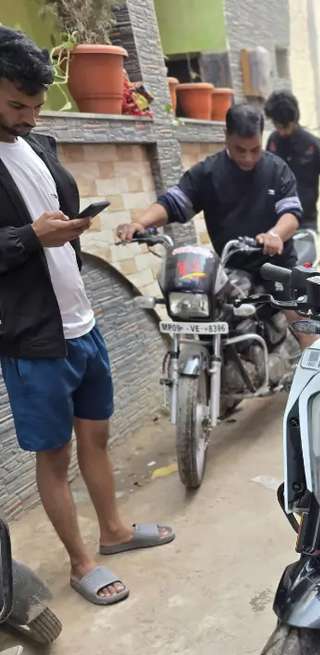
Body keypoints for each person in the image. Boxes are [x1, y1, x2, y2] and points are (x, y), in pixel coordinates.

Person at [0, 28, 173, 607]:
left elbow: (54, 219)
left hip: (82, 322)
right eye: (17, 105)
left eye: (36, 105)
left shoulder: (39, 145)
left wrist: (71, 226)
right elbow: (24, 238)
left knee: (96, 436)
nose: (29, 117)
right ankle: (80, 562)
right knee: (54, 455)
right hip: (33, 340)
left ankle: (114, 531)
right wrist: (31, 237)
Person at [116, 105, 302, 269]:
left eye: (255, 150)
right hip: (234, 269)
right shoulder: (207, 173)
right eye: (240, 150)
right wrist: (139, 224)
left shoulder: (277, 170)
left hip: (277, 267)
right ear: (226, 136)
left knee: (293, 299)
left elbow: (291, 214)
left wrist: (275, 235)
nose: (248, 158)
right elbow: (173, 203)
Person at [264, 90, 320, 235]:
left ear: (294, 120)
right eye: (278, 126)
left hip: (306, 222)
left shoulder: (312, 145)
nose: (282, 132)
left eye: (285, 127)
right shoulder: (273, 142)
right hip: (277, 222)